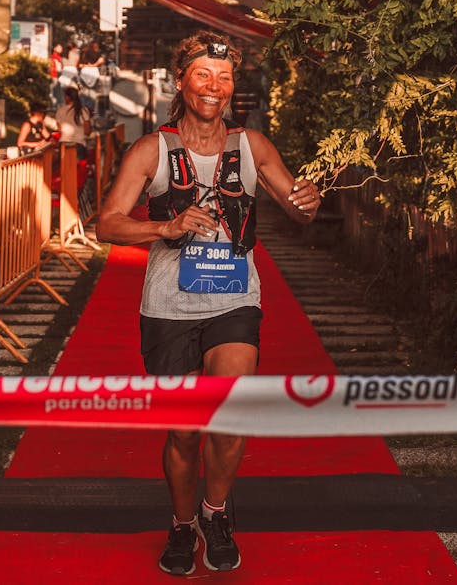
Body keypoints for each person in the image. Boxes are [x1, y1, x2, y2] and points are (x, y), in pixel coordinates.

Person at [95, 30, 320, 576]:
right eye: (203, 75)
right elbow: (107, 223)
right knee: (184, 429)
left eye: (224, 78)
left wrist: (308, 201)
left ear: (232, 87)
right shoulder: (151, 149)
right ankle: (181, 522)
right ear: (182, 80)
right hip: (168, 303)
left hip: (235, 297)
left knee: (230, 410)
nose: (214, 87)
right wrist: (165, 226)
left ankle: (215, 512)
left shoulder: (252, 146)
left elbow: (298, 209)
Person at [53, 87, 91, 161]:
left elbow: (59, 129)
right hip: (79, 144)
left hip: (63, 145)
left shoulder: (60, 111)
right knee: (78, 170)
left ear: (67, 97)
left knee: (64, 170)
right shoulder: (84, 110)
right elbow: (87, 131)